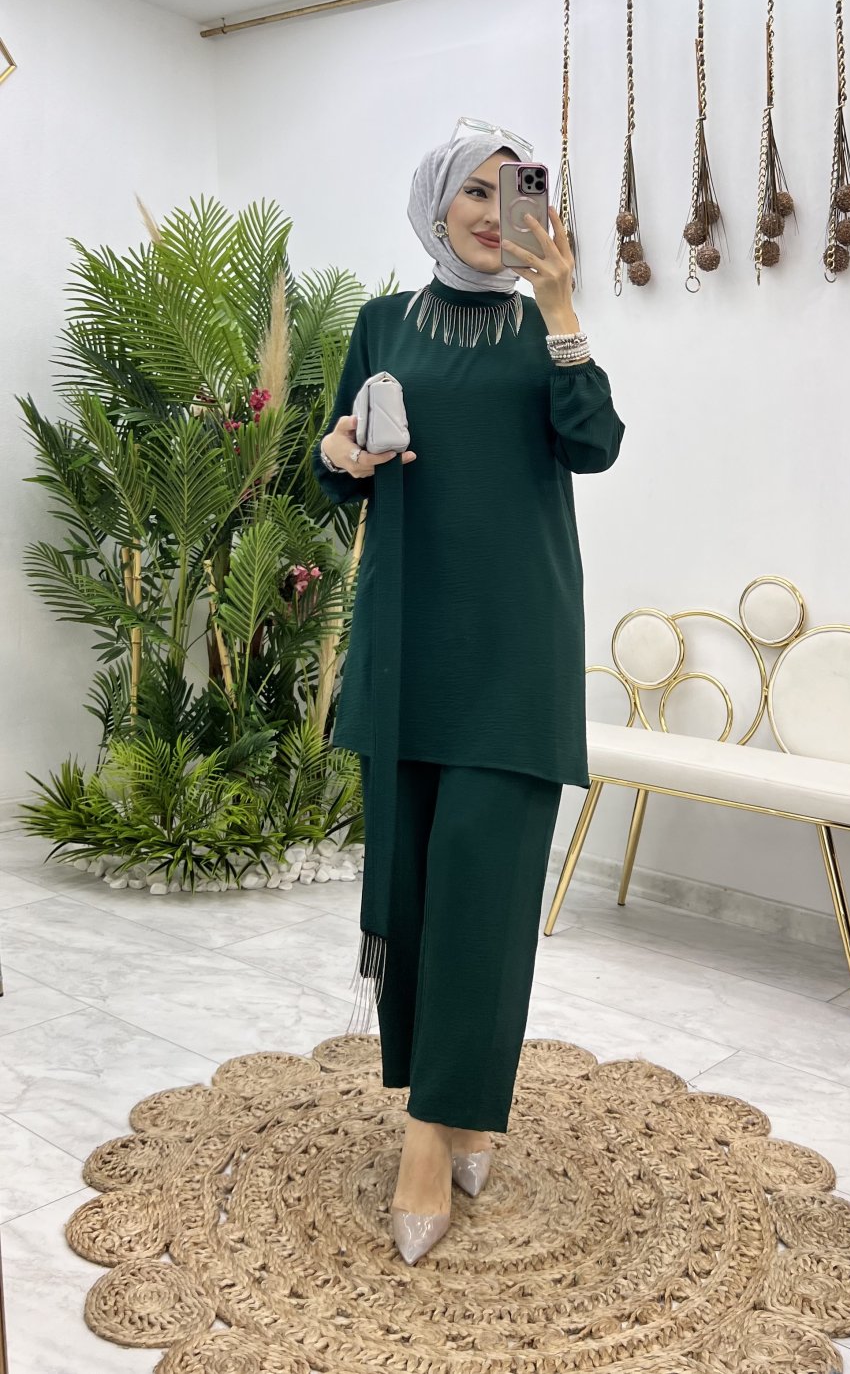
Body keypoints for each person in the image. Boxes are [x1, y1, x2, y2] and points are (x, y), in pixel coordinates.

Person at [312, 117, 625, 1264]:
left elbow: (593, 446)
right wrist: (342, 452)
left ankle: (426, 1141)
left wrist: (563, 306)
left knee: (483, 903)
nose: (497, 214)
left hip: (515, 655)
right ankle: (462, 1107)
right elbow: (336, 462)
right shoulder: (382, 321)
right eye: (475, 193)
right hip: (407, 643)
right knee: (411, 896)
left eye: (516, 191)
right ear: (436, 204)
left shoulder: (546, 326)